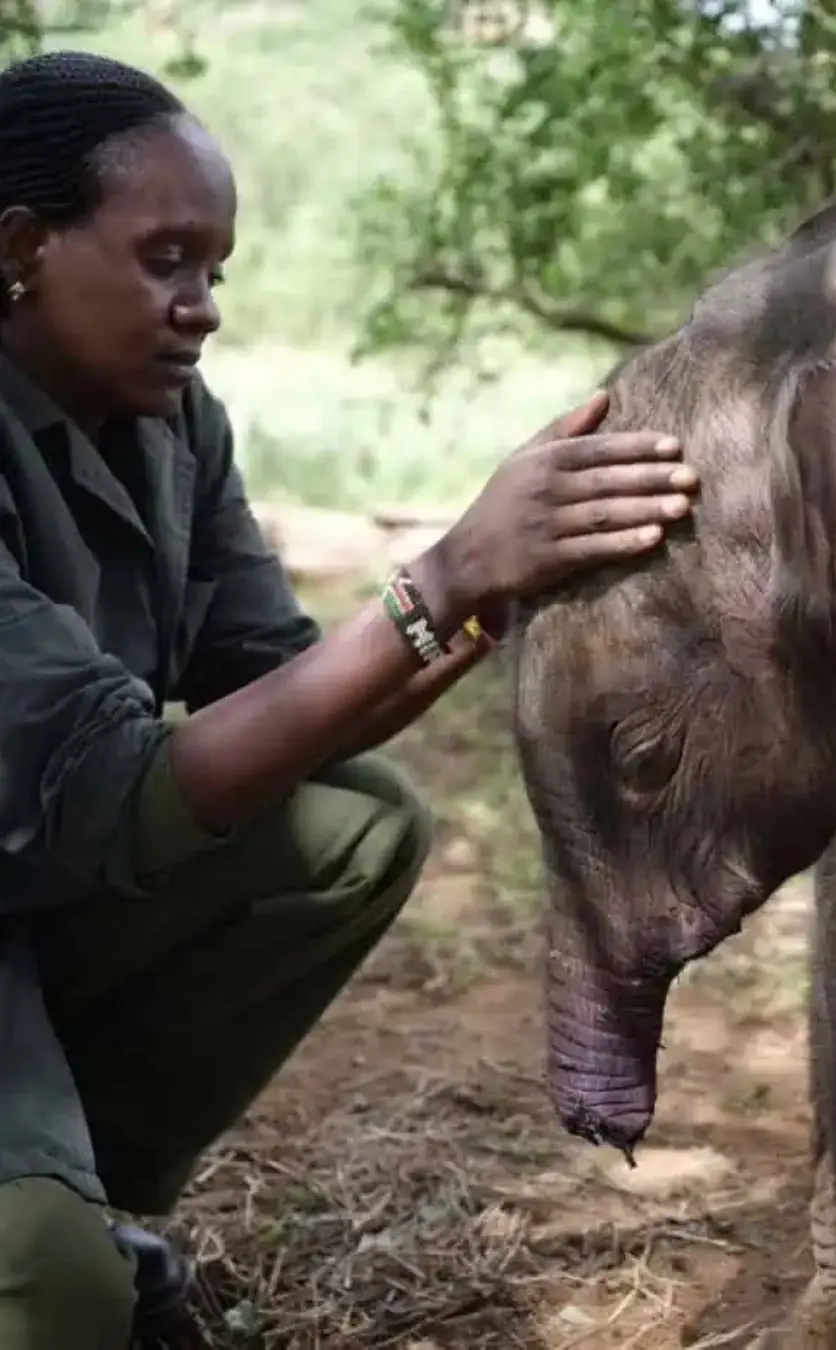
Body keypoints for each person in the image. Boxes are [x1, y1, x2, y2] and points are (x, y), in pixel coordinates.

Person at [0, 48, 698, 1350]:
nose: (201, 306)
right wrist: (442, 575)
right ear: (22, 246)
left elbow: (279, 691)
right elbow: (105, 783)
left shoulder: (171, 429)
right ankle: (48, 1228)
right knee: (52, 1297)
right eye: (165, 260)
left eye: (216, 271)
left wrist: (505, 583)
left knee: (354, 825)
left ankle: (79, 1188)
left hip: (34, 887)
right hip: (48, 845)